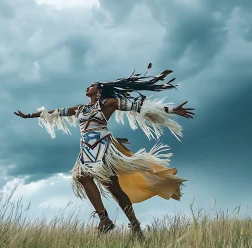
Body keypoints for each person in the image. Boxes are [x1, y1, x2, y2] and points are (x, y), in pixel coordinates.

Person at [14, 64, 194, 240]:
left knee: (114, 189)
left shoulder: (109, 103)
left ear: (99, 90)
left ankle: (134, 226)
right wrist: (29, 115)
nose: (87, 87)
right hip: (85, 148)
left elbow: (139, 106)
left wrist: (171, 110)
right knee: (82, 177)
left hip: (103, 145)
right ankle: (104, 219)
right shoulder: (80, 108)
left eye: (91, 85)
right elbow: (55, 113)